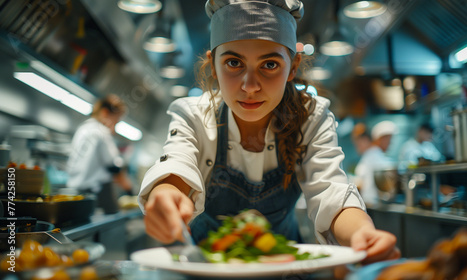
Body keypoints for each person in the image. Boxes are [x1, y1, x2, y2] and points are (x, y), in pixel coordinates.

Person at [139, 0, 399, 264]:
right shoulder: (194, 115)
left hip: (283, 266)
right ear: (214, 65)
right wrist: (165, 194)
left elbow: (330, 192)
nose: (250, 86)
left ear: (293, 67)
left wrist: (362, 233)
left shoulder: (311, 117)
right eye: (233, 62)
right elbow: (178, 162)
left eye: (270, 65)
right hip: (207, 267)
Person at [67, 94, 133, 214]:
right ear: (105, 112)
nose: (115, 126)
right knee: (112, 223)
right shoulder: (101, 132)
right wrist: (130, 191)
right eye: (116, 120)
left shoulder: (82, 129)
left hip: (75, 191)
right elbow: (114, 167)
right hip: (97, 192)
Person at [354, 120, 397, 205]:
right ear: (380, 139)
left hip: (370, 202)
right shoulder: (374, 154)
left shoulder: (372, 154)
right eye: (388, 139)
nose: (390, 143)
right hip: (373, 202)